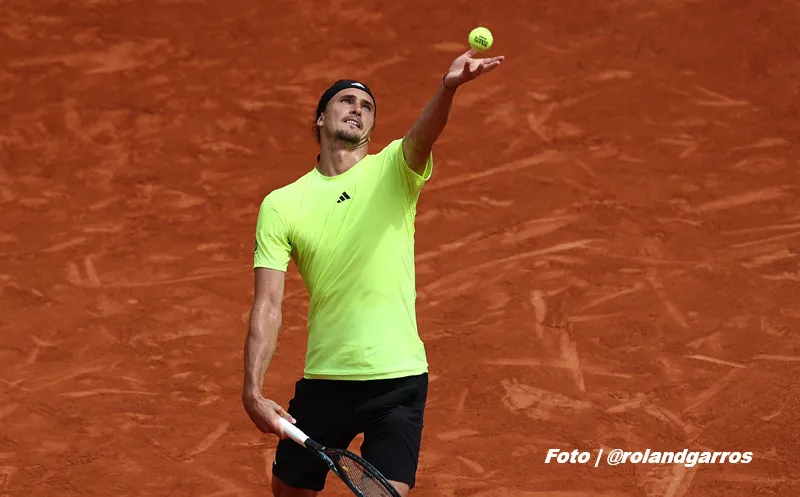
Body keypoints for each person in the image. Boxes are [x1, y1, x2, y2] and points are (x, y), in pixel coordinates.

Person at [242, 48, 504, 497]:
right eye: (346, 101)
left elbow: (424, 135)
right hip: (326, 380)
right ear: (320, 119)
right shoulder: (282, 204)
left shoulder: (393, 171)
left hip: (398, 380)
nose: (357, 110)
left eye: (367, 108)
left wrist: (447, 88)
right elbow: (267, 303)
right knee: (287, 492)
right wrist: (253, 390)